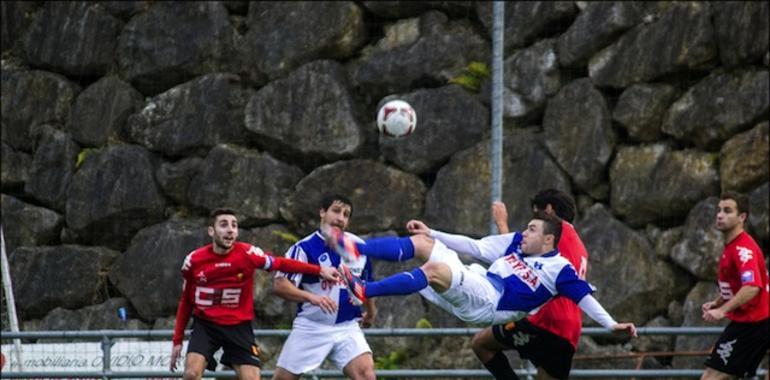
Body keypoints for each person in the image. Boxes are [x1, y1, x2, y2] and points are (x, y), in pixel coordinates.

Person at [328, 212, 636, 377]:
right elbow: (474, 247)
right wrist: (433, 232)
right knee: (422, 243)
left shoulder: (559, 268)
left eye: (531, 229)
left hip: (489, 304)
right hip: (479, 281)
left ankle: (363, 289)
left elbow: (584, 298)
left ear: (548, 239)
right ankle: (358, 250)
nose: (524, 232)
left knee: (434, 269)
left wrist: (611, 325)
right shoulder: (516, 243)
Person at [170, 208, 340, 380]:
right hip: (206, 326)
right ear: (211, 231)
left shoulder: (248, 254)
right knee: (191, 373)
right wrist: (177, 340)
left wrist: (319, 270)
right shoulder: (194, 261)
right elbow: (186, 301)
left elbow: (281, 263)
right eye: (224, 225)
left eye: (234, 226)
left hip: (238, 327)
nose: (230, 229)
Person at [472, 190, 589, 380]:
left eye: (537, 215)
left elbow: (513, 261)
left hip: (545, 321)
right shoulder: (578, 247)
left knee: (481, 344)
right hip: (570, 331)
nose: (532, 227)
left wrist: (502, 223)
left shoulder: (555, 232)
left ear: (549, 210)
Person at [272, 194, 377, 380]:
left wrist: (371, 311)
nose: (340, 218)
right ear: (322, 212)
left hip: (347, 327)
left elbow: (366, 284)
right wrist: (312, 297)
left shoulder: (359, 247)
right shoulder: (304, 248)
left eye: (346, 214)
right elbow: (280, 285)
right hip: (311, 327)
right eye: (336, 211)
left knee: (366, 374)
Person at [700, 191, 769, 380]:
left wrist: (722, 311)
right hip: (753, 322)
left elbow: (752, 286)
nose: (720, 215)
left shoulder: (742, 249)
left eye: (728, 211)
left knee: (711, 377)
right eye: (719, 210)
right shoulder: (732, 247)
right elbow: (739, 285)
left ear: (742, 217)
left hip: (752, 324)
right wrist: (717, 301)